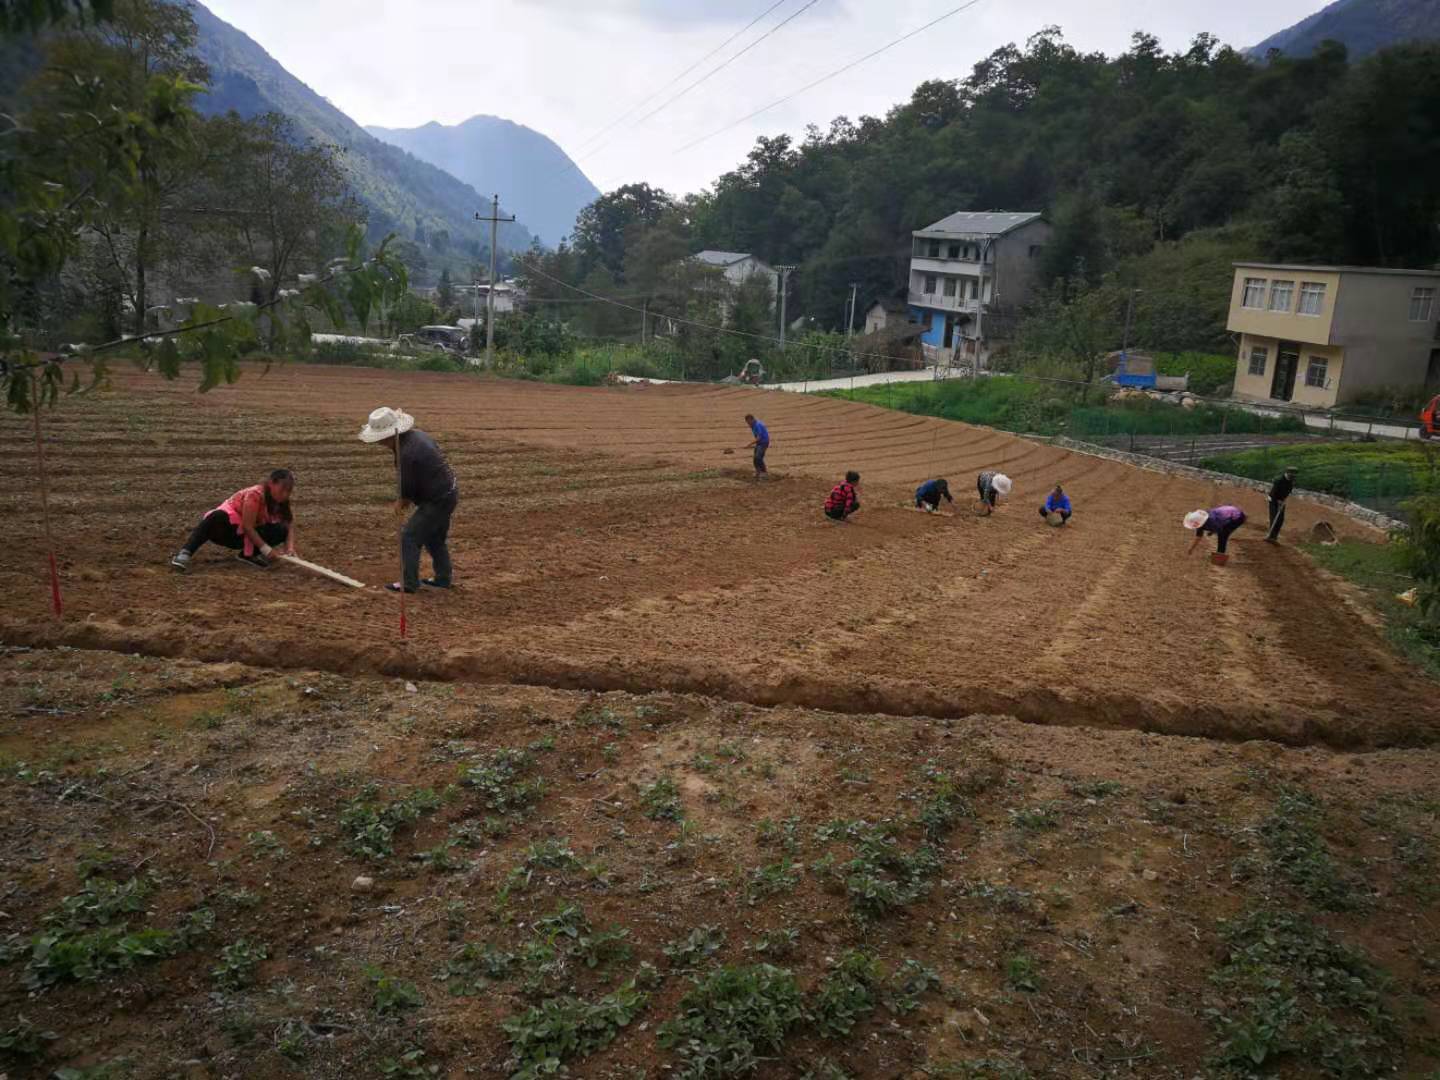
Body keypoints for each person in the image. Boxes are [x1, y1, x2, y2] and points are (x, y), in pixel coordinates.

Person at [359, 406, 459, 594]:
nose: (379, 443)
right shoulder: (416, 436)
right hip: (448, 492)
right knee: (435, 538)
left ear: (387, 436)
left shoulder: (407, 452)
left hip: (437, 499)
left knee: (409, 537)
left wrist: (401, 502)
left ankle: (409, 583)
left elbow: (408, 485)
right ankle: (442, 579)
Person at [171, 469, 296, 572]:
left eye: (288, 491)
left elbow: (288, 523)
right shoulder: (254, 495)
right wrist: (267, 550)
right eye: (282, 490)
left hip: (247, 535)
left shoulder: (281, 500)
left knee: (281, 529)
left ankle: (248, 555)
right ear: (271, 484)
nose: (285, 495)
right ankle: (186, 552)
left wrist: (289, 548)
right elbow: (248, 527)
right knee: (216, 517)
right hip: (228, 530)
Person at [1266, 467, 1297, 543]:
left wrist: (1283, 500)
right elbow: (1273, 492)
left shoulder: (1291, 482)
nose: (1293, 475)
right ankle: (1271, 536)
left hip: (1281, 501)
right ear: (1287, 472)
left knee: (1281, 519)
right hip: (1273, 499)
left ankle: (1275, 536)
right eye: (1291, 473)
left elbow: (1287, 492)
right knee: (1274, 517)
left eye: (1294, 474)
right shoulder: (1279, 480)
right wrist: (1278, 500)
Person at [744, 414, 770, 480]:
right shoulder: (753, 425)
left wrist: (749, 444)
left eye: (748, 422)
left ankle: (764, 473)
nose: (748, 424)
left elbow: (759, 437)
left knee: (758, 457)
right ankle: (758, 472)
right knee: (755, 459)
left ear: (751, 419)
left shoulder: (758, 425)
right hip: (759, 443)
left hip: (763, 442)